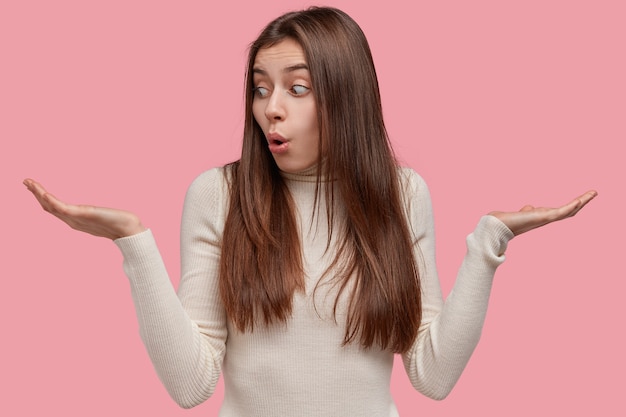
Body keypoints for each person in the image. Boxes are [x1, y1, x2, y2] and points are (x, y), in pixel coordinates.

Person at [23, 6, 596, 417]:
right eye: (260, 88)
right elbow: (191, 384)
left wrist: (489, 242)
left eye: (297, 88)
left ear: (345, 96)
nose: (270, 109)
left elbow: (434, 375)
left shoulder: (403, 193)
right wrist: (133, 243)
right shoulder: (218, 195)